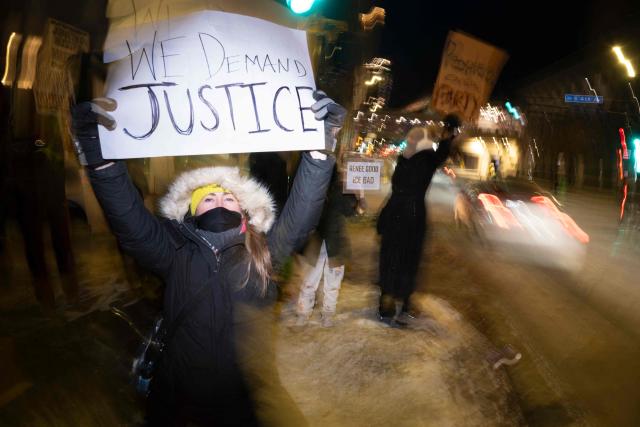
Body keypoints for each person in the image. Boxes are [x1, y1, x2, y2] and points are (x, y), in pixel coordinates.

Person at [71, 91, 346, 426]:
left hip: (243, 401)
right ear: (189, 212)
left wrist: (320, 150)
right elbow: (129, 222)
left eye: (228, 198)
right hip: (178, 401)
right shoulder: (173, 250)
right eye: (207, 198)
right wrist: (99, 157)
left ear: (245, 214)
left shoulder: (262, 253)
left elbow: (301, 216)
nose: (218, 202)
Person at [376, 116, 460, 327]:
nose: (410, 140)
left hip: (398, 213)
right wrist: (449, 133)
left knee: (393, 257)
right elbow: (442, 152)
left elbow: (441, 153)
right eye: (411, 137)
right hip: (411, 215)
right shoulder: (418, 159)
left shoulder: (410, 159)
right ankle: (399, 304)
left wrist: (448, 134)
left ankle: (390, 301)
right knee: (405, 259)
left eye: (414, 138)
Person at [295, 164, 359, 328]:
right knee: (309, 281)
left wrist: (357, 195)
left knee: (332, 284)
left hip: (335, 244)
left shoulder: (341, 188)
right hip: (315, 242)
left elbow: (352, 212)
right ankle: (304, 313)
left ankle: (327, 314)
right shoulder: (312, 185)